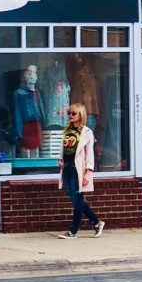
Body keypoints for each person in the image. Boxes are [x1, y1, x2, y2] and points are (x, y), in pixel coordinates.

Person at [56, 102, 105, 239]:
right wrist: (60, 159)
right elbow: (64, 149)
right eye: (69, 113)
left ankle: (73, 231)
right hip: (67, 168)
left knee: (77, 200)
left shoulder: (87, 132)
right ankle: (96, 222)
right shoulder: (67, 131)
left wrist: (88, 172)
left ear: (80, 115)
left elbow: (90, 154)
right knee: (76, 199)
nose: (70, 115)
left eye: (73, 113)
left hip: (79, 169)